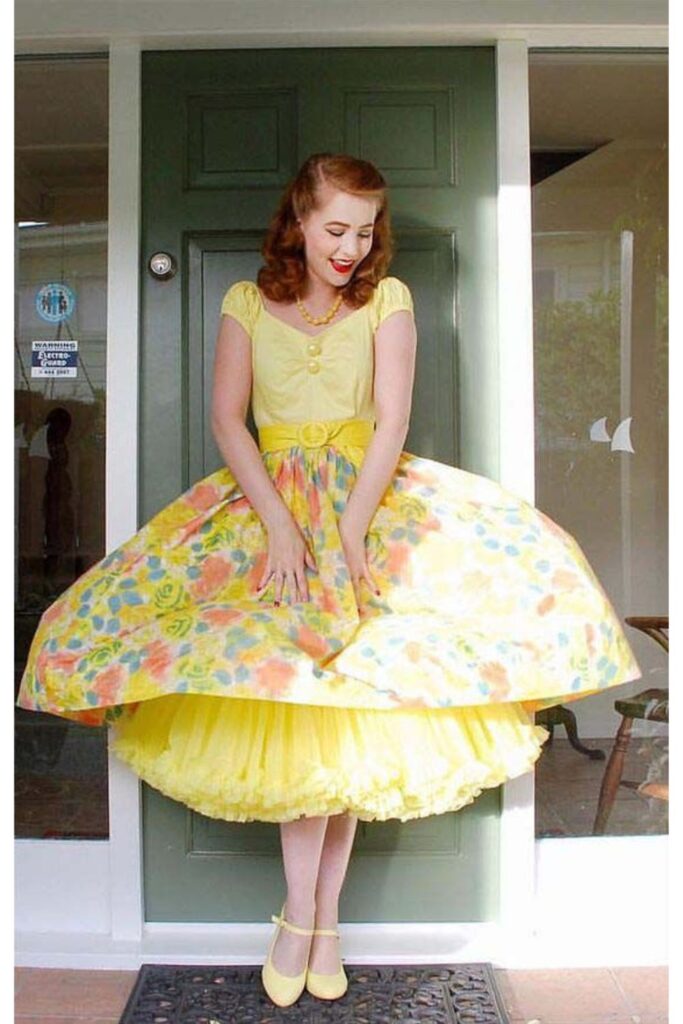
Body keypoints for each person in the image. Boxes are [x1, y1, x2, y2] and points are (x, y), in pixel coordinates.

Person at [16, 152, 642, 1008]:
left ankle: (315, 922)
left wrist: (349, 531)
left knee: (349, 716)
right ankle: (302, 917)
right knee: (292, 704)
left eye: (364, 230)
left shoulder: (388, 300)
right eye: (335, 228)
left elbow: (392, 420)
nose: (350, 246)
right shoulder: (246, 301)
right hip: (263, 508)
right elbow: (226, 421)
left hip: (366, 508)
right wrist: (278, 524)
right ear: (299, 223)